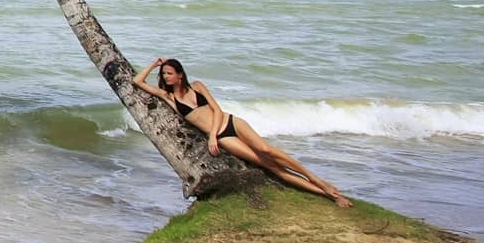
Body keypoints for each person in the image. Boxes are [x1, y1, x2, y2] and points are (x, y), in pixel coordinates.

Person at [133, 56, 352, 207]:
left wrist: (211, 135)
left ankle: (318, 180)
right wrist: (154, 64)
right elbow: (137, 81)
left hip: (230, 123)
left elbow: (217, 110)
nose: (166, 77)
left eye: (169, 73)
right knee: (269, 165)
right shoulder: (169, 97)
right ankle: (326, 194)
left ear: (180, 75)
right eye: (164, 74)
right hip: (223, 137)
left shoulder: (197, 86)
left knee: (268, 150)